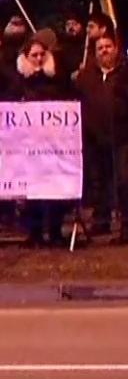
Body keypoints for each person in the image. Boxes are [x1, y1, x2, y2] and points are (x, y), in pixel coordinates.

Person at [75, 33, 128, 243]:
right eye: (100, 48)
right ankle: (101, 221)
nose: (104, 51)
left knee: (126, 181)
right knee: (99, 182)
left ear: (115, 48)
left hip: (123, 136)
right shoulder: (86, 77)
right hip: (96, 137)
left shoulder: (127, 73)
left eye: (108, 46)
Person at [13, 38, 71, 247]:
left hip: (52, 142)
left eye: (41, 55)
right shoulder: (19, 80)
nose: (38, 59)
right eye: (33, 55)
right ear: (26, 57)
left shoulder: (55, 77)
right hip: (28, 143)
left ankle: (55, 231)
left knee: (54, 186)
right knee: (31, 188)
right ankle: (34, 232)